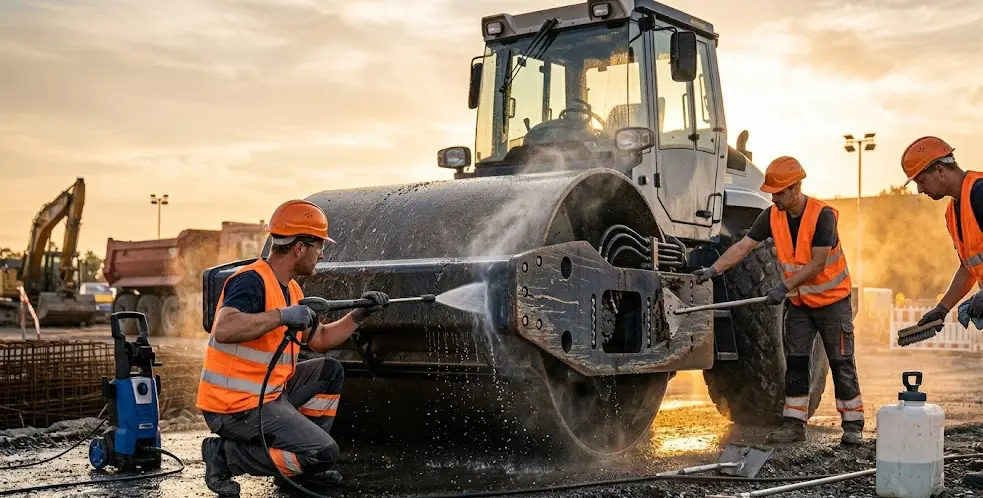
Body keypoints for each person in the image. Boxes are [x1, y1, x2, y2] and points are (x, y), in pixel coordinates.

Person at [195, 199, 389, 496]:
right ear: (300, 247)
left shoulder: (292, 288)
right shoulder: (250, 281)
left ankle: (303, 467)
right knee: (324, 452)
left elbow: (320, 339)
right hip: (234, 407)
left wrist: (359, 315)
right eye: (319, 246)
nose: (321, 254)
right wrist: (282, 316)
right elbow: (224, 328)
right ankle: (224, 455)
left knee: (329, 371)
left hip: (269, 393)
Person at [693, 156, 864, 445]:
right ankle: (794, 425)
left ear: (796, 188)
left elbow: (818, 263)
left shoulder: (823, 216)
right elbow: (744, 247)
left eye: (779, 192)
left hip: (833, 303)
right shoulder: (772, 216)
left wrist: (782, 287)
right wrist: (713, 269)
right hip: (800, 304)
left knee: (841, 362)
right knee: (796, 363)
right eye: (771, 192)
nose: (774, 197)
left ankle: (853, 425)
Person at [901, 136, 983, 488]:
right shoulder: (954, 211)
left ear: (940, 169)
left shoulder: (980, 193)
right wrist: (942, 308)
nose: (920, 190)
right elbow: (968, 267)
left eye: (921, 180)